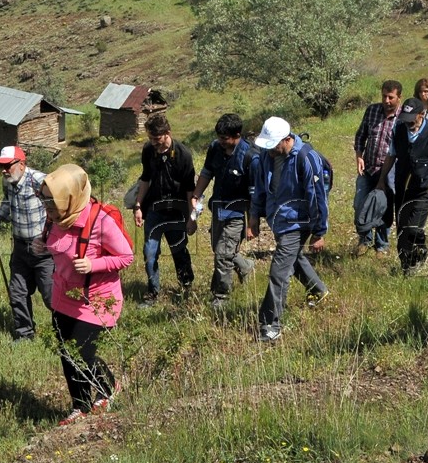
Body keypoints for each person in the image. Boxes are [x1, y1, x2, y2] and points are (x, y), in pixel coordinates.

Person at [34, 164, 134, 425]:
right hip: (63, 296)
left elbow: (126, 256)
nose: (46, 207)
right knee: (66, 352)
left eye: (51, 201)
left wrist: (94, 264)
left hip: (96, 299)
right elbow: (57, 245)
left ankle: (108, 388)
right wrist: (41, 245)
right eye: (44, 200)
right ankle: (80, 406)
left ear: (69, 198)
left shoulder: (100, 221)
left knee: (83, 352)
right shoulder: (55, 217)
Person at [248, 116, 329, 342]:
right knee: (293, 257)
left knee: (279, 271)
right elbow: (260, 188)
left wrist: (319, 232)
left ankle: (270, 324)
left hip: (299, 222)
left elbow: (318, 198)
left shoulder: (306, 158)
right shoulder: (267, 156)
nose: (270, 149)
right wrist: (254, 216)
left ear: (287, 139)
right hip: (278, 219)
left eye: (273, 144)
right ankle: (318, 290)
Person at [376, 98, 428, 275]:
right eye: (405, 119)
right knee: (402, 229)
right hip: (403, 187)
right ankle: (406, 266)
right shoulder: (398, 129)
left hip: (425, 188)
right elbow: (391, 156)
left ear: (422, 114)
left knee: (413, 228)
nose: (408, 122)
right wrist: (381, 180)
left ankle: (419, 252)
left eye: (412, 119)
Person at [192, 113, 257, 307]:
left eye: (224, 138)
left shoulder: (250, 157)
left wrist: (252, 223)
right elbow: (207, 173)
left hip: (237, 214)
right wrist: (196, 196)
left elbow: (254, 195)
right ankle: (246, 267)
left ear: (237, 135)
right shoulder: (215, 148)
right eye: (219, 137)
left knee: (223, 254)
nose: (220, 141)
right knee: (219, 249)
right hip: (218, 209)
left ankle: (221, 296)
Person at [0, 145, 52, 342]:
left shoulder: (40, 181)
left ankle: (65, 331)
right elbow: (7, 202)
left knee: (50, 294)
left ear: (22, 164)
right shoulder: (8, 181)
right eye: (1, 167)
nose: (4, 170)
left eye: (8, 166)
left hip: (43, 248)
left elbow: (61, 204)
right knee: (17, 292)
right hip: (20, 248)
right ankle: (25, 333)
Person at [131, 114, 196, 305]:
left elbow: (191, 190)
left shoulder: (183, 155)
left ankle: (186, 288)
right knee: (149, 253)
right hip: (154, 211)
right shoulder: (148, 150)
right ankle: (152, 293)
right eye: (150, 138)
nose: (153, 143)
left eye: (157, 139)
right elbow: (145, 178)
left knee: (179, 251)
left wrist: (192, 218)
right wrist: (138, 206)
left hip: (177, 212)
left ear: (168, 133)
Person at [352, 80, 402, 253]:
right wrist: (359, 156)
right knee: (360, 204)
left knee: (384, 208)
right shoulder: (372, 110)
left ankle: (381, 245)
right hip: (368, 168)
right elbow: (361, 135)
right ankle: (364, 240)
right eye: (384, 96)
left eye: (391, 97)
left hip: (390, 172)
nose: (386, 101)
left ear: (399, 97)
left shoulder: (403, 117)